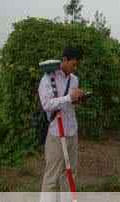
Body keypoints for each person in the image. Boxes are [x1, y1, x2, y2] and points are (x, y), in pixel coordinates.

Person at [39, 46, 85, 192]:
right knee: (52, 177)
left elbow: (69, 103)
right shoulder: (48, 78)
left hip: (72, 131)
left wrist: (77, 99)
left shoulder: (74, 79)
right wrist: (69, 97)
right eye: (73, 64)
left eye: (77, 65)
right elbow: (46, 104)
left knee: (71, 173)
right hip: (56, 133)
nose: (75, 68)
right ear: (64, 60)